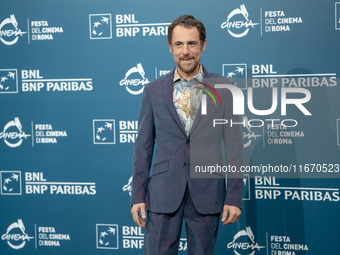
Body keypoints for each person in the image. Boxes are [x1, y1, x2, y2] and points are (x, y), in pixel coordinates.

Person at [131, 15, 244, 255]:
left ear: (203, 44)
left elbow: (235, 148)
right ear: (170, 47)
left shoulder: (225, 89)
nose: (185, 51)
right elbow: (142, 149)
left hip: (207, 193)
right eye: (179, 44)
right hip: (162, 193)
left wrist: (234, 196)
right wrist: (137, 195)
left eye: (192, 43)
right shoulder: (152, 90)